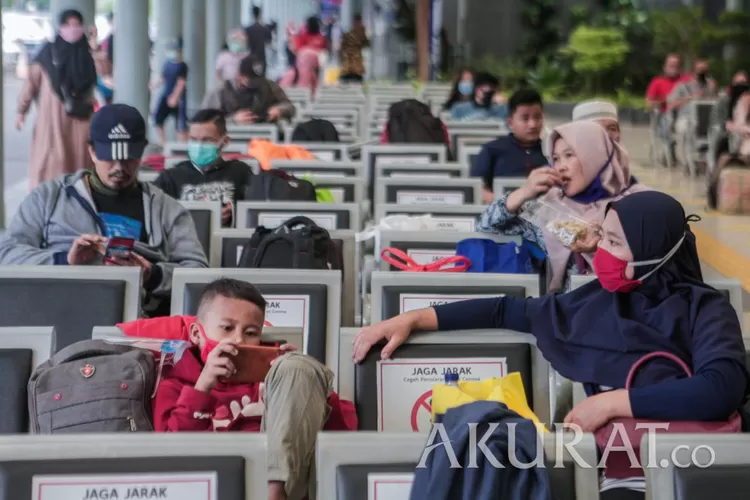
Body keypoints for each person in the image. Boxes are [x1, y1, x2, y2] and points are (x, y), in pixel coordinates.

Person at [353, 191, 749, 500]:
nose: (601, 252)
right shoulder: (597, 301)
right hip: (616, 468)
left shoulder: (706, 309)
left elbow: (720, 387)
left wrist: (612, 403)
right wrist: (414, 318)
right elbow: (506, 311)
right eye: (603, 238)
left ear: (653, 252)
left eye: (614, 242)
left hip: (696, 463)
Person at [151, 278, 356, 500]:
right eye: (227, 328)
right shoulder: (174, 384)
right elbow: (170, 458)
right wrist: (203, 387)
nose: (238, 339)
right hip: (206, 489)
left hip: (284, 490)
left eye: (250, 332)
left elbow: (339, 437)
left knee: (297, 367)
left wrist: (293, 387)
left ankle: (274, 493)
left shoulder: (275, 377)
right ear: (196, 334)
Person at [0, 104, 208, 317]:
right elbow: (7, 254)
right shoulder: (49, 197)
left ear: (141, 152)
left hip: (135, 322)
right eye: (110, 157)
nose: (119, 167)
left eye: (128, 158)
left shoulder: (166, 209)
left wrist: (152, 275)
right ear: (92, 151)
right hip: (58, 312)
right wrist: (64, 261)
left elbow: (198, 275)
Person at [477, 120, 650, 292]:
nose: (561, 167)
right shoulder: (551, 207)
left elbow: (655, 262)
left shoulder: (639, 203)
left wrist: (603, 246)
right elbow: (486, 226)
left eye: (569, 155)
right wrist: (523, 192)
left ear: (595, 155)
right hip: (569, 311)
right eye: (555, 159)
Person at [16, 9, 97, 189]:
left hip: (81, 119)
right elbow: (31, 82)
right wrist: (22, 110)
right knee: (52, 161)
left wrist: (94, 45)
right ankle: (48, 201)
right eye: (67, 24)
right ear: (60, 27)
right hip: (52, 120)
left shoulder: (87, 53)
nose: (72, 29)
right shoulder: (48, 53)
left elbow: (104, 71)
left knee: (79, 163)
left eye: (77, 25)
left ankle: (77, 200)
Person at [154, 109, 254, 228]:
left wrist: (234, 212)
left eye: (207, 140)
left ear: (225, 141)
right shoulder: (171, 177)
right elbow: (154, 216)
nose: (199, 146)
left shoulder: (240, 172)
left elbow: (255, 213)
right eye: (194, 140)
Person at [470, 88, 547, 203]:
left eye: (537, 117)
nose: (533, 124)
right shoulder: (491, 150)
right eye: (525, 118)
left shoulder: (551, 151)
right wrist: (504, 205)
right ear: (510, 122)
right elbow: (476, 189)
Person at [202, 55, 295, 125]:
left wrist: (279, 110)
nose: (255, 85)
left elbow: (290, 106)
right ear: (239, 76)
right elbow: (205, 119)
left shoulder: (269, 85)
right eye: (250, 80)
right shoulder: (221, 91)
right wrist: (232, 120)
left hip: (263, 137)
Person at [668, 59, 718, 164]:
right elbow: (671, 104)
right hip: (686, 118)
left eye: (705, 71)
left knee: (718, 129)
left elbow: (717, 105)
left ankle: (711, 161)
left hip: (707, 120)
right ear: (694, 71)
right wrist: (689, 98)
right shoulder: (682, 86)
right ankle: (686, 162)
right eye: (699, 70)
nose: (702, 73)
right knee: (684, 128)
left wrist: (713, 91)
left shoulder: (710, 87)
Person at [151, 40, 189, 145]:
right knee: (158, 120)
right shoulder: (167, 64)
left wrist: (175, 97)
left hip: (178, 98)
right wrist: (153, 85)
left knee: (181, 124)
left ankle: (182, 145)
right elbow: (163, 78)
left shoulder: (182, 65)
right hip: (166, 95)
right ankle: (163, 144)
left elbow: (181, 83)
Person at [339, 14, 369, 83]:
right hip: (349, 62)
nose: (358, 24)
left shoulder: (361, 33)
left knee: (356, 78)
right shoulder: (348, 34)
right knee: (348, 77)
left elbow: (366, 44)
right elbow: (342, 47)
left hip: (356, 62)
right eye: (357, 22)